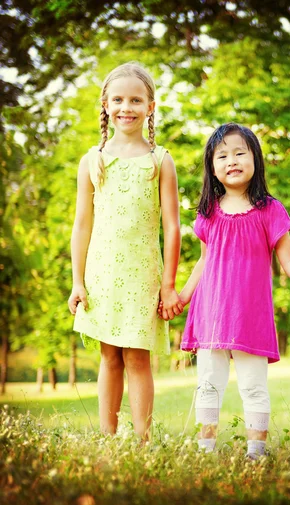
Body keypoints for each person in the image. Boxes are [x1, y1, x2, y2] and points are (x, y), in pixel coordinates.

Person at [176, 122, 290, 460]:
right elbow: (203, 263)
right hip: (211, 315)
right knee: (208, 383)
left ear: (255, 159)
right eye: (222, 155)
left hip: (250, 315)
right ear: (212, 167)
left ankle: (256, 452)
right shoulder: (208, 213)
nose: (231, 160)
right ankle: (205, 449)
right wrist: (182, 297)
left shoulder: (270, 210)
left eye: (239, 152)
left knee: (253, 385)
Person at [68, 62, 183, 441]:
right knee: (109, 358)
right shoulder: (92, 161)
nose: (126, 107)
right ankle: (107, 438)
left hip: (142, 276)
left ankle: (143, 441)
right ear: (105, 104)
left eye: (136, 100)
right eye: (117, 99)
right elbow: (82, 225)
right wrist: (77, 281)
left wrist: (168, 286)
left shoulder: (159, 161)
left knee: (137, 357)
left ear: (150, 106)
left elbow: (172, 227)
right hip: (102, 277)